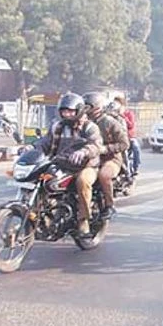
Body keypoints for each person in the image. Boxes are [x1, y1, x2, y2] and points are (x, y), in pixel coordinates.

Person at [33, 93, 103, 237]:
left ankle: (84, 221)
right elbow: (46, 142)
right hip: (62, 164)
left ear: (79, 111)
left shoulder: (90, 127)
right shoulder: (57, 126)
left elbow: (96, 145)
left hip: (86, 166)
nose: (67, 114)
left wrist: (84, 151)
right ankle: (45, 215)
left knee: (83, 182)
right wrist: (33, 148)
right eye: (64, 111)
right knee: (42, 181)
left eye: (70, 111)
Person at [83, 92, 130, 220]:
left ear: (97, 107)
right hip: (88, 158)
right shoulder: (82, 122)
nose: (85, 109)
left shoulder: (110, 122)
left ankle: (109, 205)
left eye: (88, 106)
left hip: (110, 159)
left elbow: (124, 143)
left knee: (104, 175)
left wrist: (105, 149)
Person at [110, 96, 141, 176]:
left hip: (129, 137)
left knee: (136, 148)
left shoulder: (129, 113)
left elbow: (131, 125)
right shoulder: (112, 113)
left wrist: (122, 116)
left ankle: (135, 167)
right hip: (118, 138)